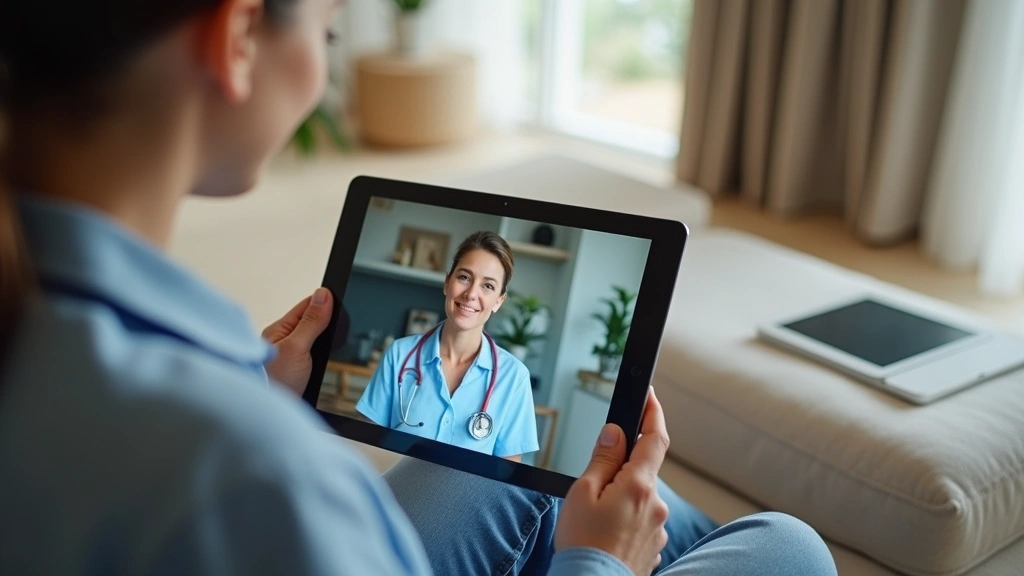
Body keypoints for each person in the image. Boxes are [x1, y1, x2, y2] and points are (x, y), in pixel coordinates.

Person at [0, 1, 839, 575]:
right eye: (329, 35)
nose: (473, 296)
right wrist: (597, 562)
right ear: (239, 35)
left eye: (487, 286)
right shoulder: (256, 473)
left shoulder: (59, 339)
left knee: (501, 470)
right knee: (786, 546)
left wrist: (255, 388)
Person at [356, 231, 539, 462]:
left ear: (499, 302)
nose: (471, 293)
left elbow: (506, 476)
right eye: (464, 277)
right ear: (447, 282)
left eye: (488, 286)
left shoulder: (514, 378)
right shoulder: (399, 355)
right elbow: (365, 448)